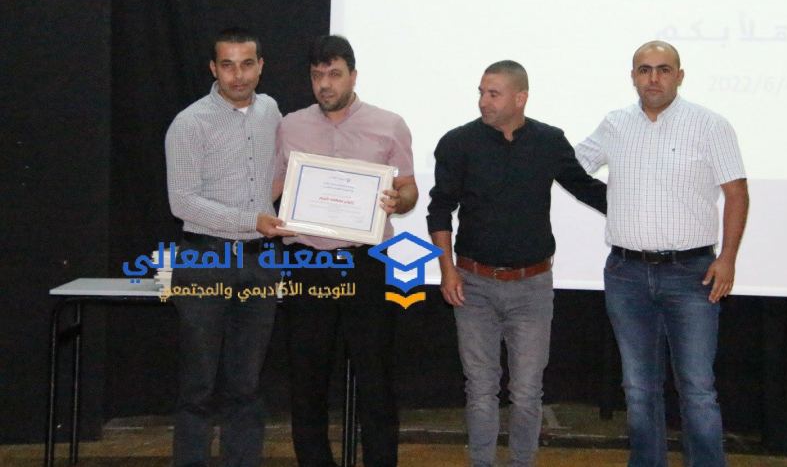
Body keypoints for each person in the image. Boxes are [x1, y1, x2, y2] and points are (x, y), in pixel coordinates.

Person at [575, 40, 749, 467]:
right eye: (645, 69)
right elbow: (571, 166)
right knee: (638, 389)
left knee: (697, 389)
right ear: (633, 76)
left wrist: (727, 259)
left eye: (664, 69)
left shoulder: (710, 125)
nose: (654, 78)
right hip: (625, 273)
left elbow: (737, 193)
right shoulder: (615, 124)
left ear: (679, 76)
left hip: (692, 273)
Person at [427, 60, 607, 467]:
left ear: (520, 97)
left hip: (532, 287)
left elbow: (586, 188)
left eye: (493, 94)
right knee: (480, 389)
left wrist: (639, 208)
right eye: (481, 92)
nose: (483, 101)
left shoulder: (549, 141)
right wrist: (447, 270)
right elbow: (439, 209)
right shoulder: (457, 143)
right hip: (473, 284)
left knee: (527, 393)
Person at [273, 34, 418, 467]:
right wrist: (263, 210)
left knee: (375, 377)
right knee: (307, 377)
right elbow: (275, 187)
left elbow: (409, 188)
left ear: (353, 76)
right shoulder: (290, 125)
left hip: (366, 263)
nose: (325, 84)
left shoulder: (389, 125)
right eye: (317, 75)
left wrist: (398, 200)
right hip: (308, 261)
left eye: (334, 74)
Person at [165, 27, 291, 467]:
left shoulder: (271, 110)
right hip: (205, 258)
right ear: (213, 69)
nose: (239, 75)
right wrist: (250, 219)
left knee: (247, 383)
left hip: (260, 260)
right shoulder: (189, 123)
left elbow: (276, 175)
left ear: (261, 66)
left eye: (247, 64)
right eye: (228, 65)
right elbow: (182, 202)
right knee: (198, 383)